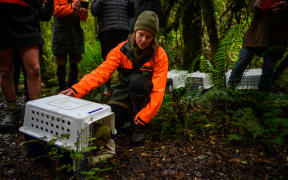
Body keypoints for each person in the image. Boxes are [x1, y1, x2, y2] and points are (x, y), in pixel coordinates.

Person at [60, 11, 168, 163]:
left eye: (148, 37)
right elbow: (101, 73)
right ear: (135, 31)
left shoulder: (159, 54)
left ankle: (139, 125)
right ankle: (78, 153)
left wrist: (144, 117)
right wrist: (76, 90)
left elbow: (158, 90)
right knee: (107, 124)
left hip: (143, 100)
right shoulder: (121, 49)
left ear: (153, 38)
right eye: (141, 34)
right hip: (122, 97)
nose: (143, 40)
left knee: (140, 82)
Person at [0, 0, 43, 130]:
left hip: (26, 19)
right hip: (2, 19)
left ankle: (35, 114)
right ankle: (12, 111)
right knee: (5, 71)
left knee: (34, 70)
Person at [228, 0, 288, 90]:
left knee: (269, 67)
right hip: (256, 32)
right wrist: (255, 4)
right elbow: (251, 4)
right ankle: (229, 90)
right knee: (242, 60)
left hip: (277, 34)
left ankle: (263, 94)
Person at [90, 0, 135, 96]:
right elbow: (94, 11)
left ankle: (123, 83)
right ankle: (107, 85)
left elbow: (132, 12)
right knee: (107, 59)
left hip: (123, 29)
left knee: (125, 58)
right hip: (106, 30)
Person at [13, 0, 54, 102]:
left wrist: (49, 3)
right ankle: (12, 108)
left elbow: (45, 16)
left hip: (30, 35)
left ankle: (32, 106)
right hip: (7, 34)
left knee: (34, 72)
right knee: (10, 72)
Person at [52, 0, 88, 93]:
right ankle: (61, 87)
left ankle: (72, 87)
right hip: (60, 33)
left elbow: (84, 18)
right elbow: (55, 11)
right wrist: (71, 7)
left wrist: (82, 12)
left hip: (75, 34)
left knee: (74, 62)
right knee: (61, 63)